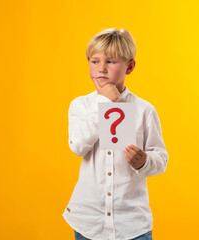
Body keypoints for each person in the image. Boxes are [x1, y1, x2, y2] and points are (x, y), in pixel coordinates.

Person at [63, 28, 169, 240]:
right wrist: (104, 102)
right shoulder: (81, 106)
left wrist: (145, 161)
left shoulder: (144, 109)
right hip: (89, 222)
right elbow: (78, 146)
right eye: (95, 61)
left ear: (129, 66)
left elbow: (161, 158)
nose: (101, 69)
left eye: (110, 62)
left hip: (132, 224)